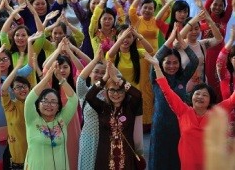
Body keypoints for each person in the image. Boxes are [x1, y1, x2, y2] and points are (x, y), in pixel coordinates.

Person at [147, 52, 235, 170]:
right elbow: (167, 91)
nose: (200, 97)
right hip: (188, 162)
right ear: (191, 97)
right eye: (197, 94)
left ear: (210, 100)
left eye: (205, 95)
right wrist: (157, 67)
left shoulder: (216, 112)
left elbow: (232, 100)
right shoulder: (183, 111)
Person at [148, 23, 199, 170]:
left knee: (177, 158)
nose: (172, 66)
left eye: (175, 63)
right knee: (159, 158)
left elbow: (194, 60)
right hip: (160, 125)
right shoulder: (156, 78)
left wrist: (182, 43)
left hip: (179, 125)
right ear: (161, 64)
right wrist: (170, 39)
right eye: (168, 63)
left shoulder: (182, 78)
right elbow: (155, 59)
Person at [86, 60, 143, 170]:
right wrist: (104, 79)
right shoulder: (102, 107)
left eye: (120, 90)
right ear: (106, 92)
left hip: (126, 158)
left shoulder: (130, 107)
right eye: (112, 90)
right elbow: (89, 96)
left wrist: (118, 80)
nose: (116, 94)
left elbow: (137, 95)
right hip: (105, 157)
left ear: (125, 92)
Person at [24, 61, 78, 170]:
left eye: (53, 102)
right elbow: (29, 101)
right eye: (45, 101)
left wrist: (61, 79)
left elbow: (73, 99)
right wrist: (46, 78)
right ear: (38, 105)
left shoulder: (62, 120)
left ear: (58, 107)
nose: (49, 105)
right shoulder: (32, 120)